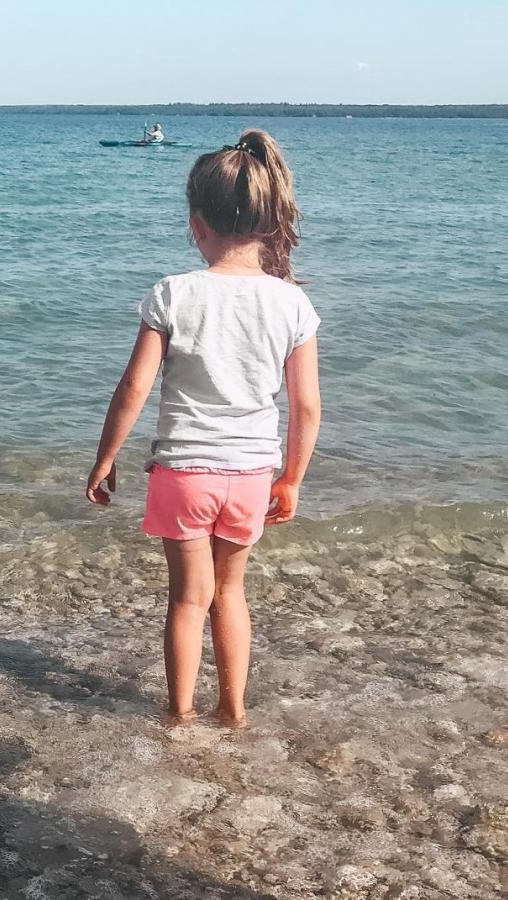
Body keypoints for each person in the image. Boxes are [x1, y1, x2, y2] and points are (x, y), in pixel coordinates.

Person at [86, 130, 321, 727]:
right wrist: (291, 477)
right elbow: (307, 406)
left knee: (188, 600)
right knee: (232, 595)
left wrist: (105, 459)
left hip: (184, 474)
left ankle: (180, 715)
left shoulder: (174, 294)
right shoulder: (291, 303)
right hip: (250, 475)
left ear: (197, 225)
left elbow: (134, 388)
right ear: (269, 223)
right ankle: (235, 711)